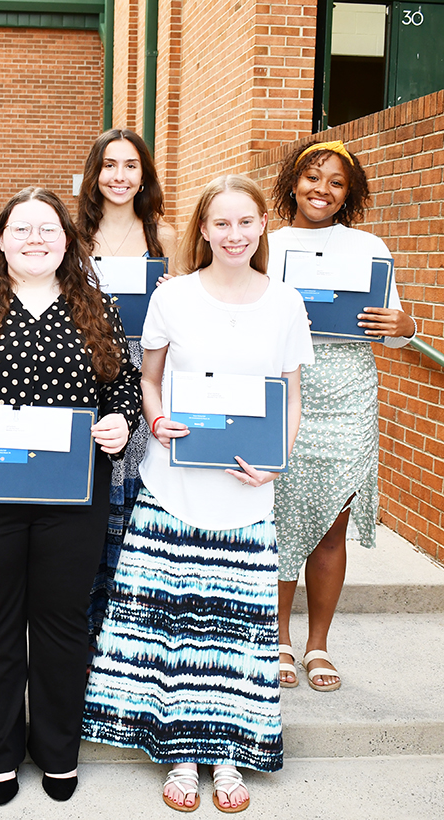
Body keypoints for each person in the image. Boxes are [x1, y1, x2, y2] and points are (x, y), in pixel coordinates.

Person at [82, 175, 314, 813]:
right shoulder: (175, 296)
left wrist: (276, 459)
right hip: (174, 485)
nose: (234, 235)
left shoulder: (287, 302)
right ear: (204, 231)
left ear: (262, 225)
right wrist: (155, 422)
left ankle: (231, 756)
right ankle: (182, 752)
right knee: (177, 628)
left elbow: (291, 397)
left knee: (235, 632)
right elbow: (148, 381)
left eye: (246, 222)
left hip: (246, 493)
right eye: (222, 224)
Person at [0, 187, 142, 805]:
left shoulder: (96, 304)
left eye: (48, 228)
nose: (35, 238)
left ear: (68, 240)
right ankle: (0, 753)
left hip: (72, 493)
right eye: (22, 229)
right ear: (1, 240)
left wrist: (122, 424)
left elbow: (123, 388)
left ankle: (58, 749)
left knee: (63, 621)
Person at [268, 141, 416, 692]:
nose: (321, 190)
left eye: (335, 182)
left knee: (332, 527)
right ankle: (278, 639)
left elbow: (389, 328)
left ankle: (318, 645)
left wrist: (406, 328)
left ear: (349, 194)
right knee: (280, 521)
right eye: (312, 176)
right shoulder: (269, 243)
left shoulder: (368, 245)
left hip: (350, 392)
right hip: (287, 386)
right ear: (293, 181)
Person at [75, 128, 177, 642]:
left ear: (144, 175)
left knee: (134, 492)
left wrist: (171, 294)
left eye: (131, 165)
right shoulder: (72, 237)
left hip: (146, 369)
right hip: (87, 370)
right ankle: (88, 625)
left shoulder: (168, 238)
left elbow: (188, 313)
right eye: (109, 165)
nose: (119, 176)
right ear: (94, 175)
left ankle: (128, 628)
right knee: (94, 487)